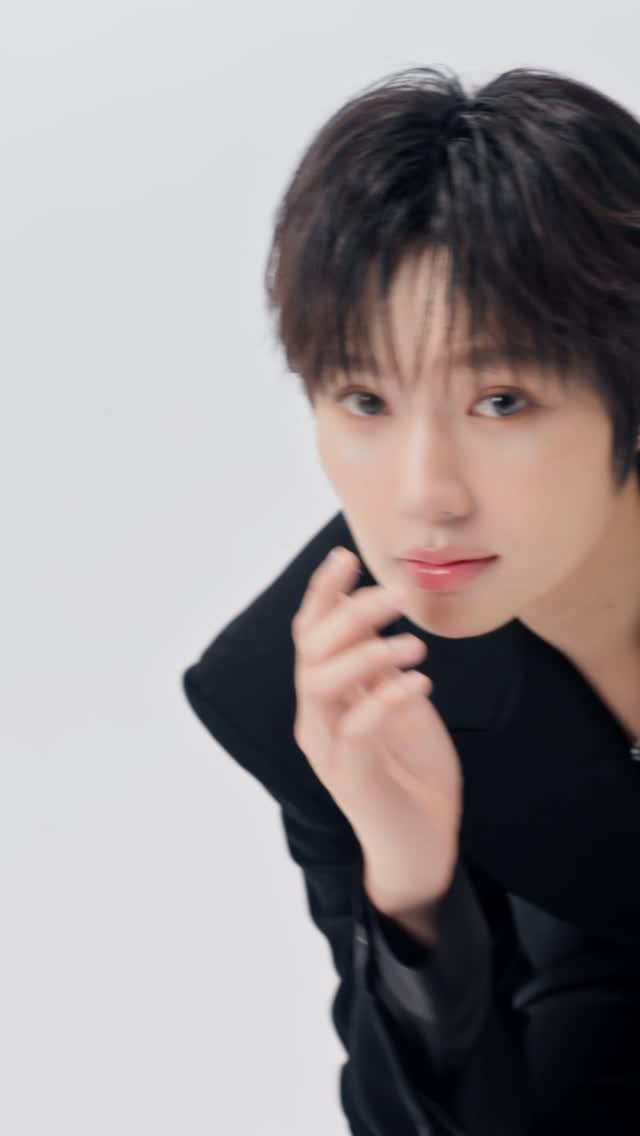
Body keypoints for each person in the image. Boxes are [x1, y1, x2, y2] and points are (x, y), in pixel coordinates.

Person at [181, 65, 640, 1135]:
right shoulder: (301, 685)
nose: (424, 493)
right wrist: (410, 890)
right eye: (364, 399)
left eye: (500, 400)